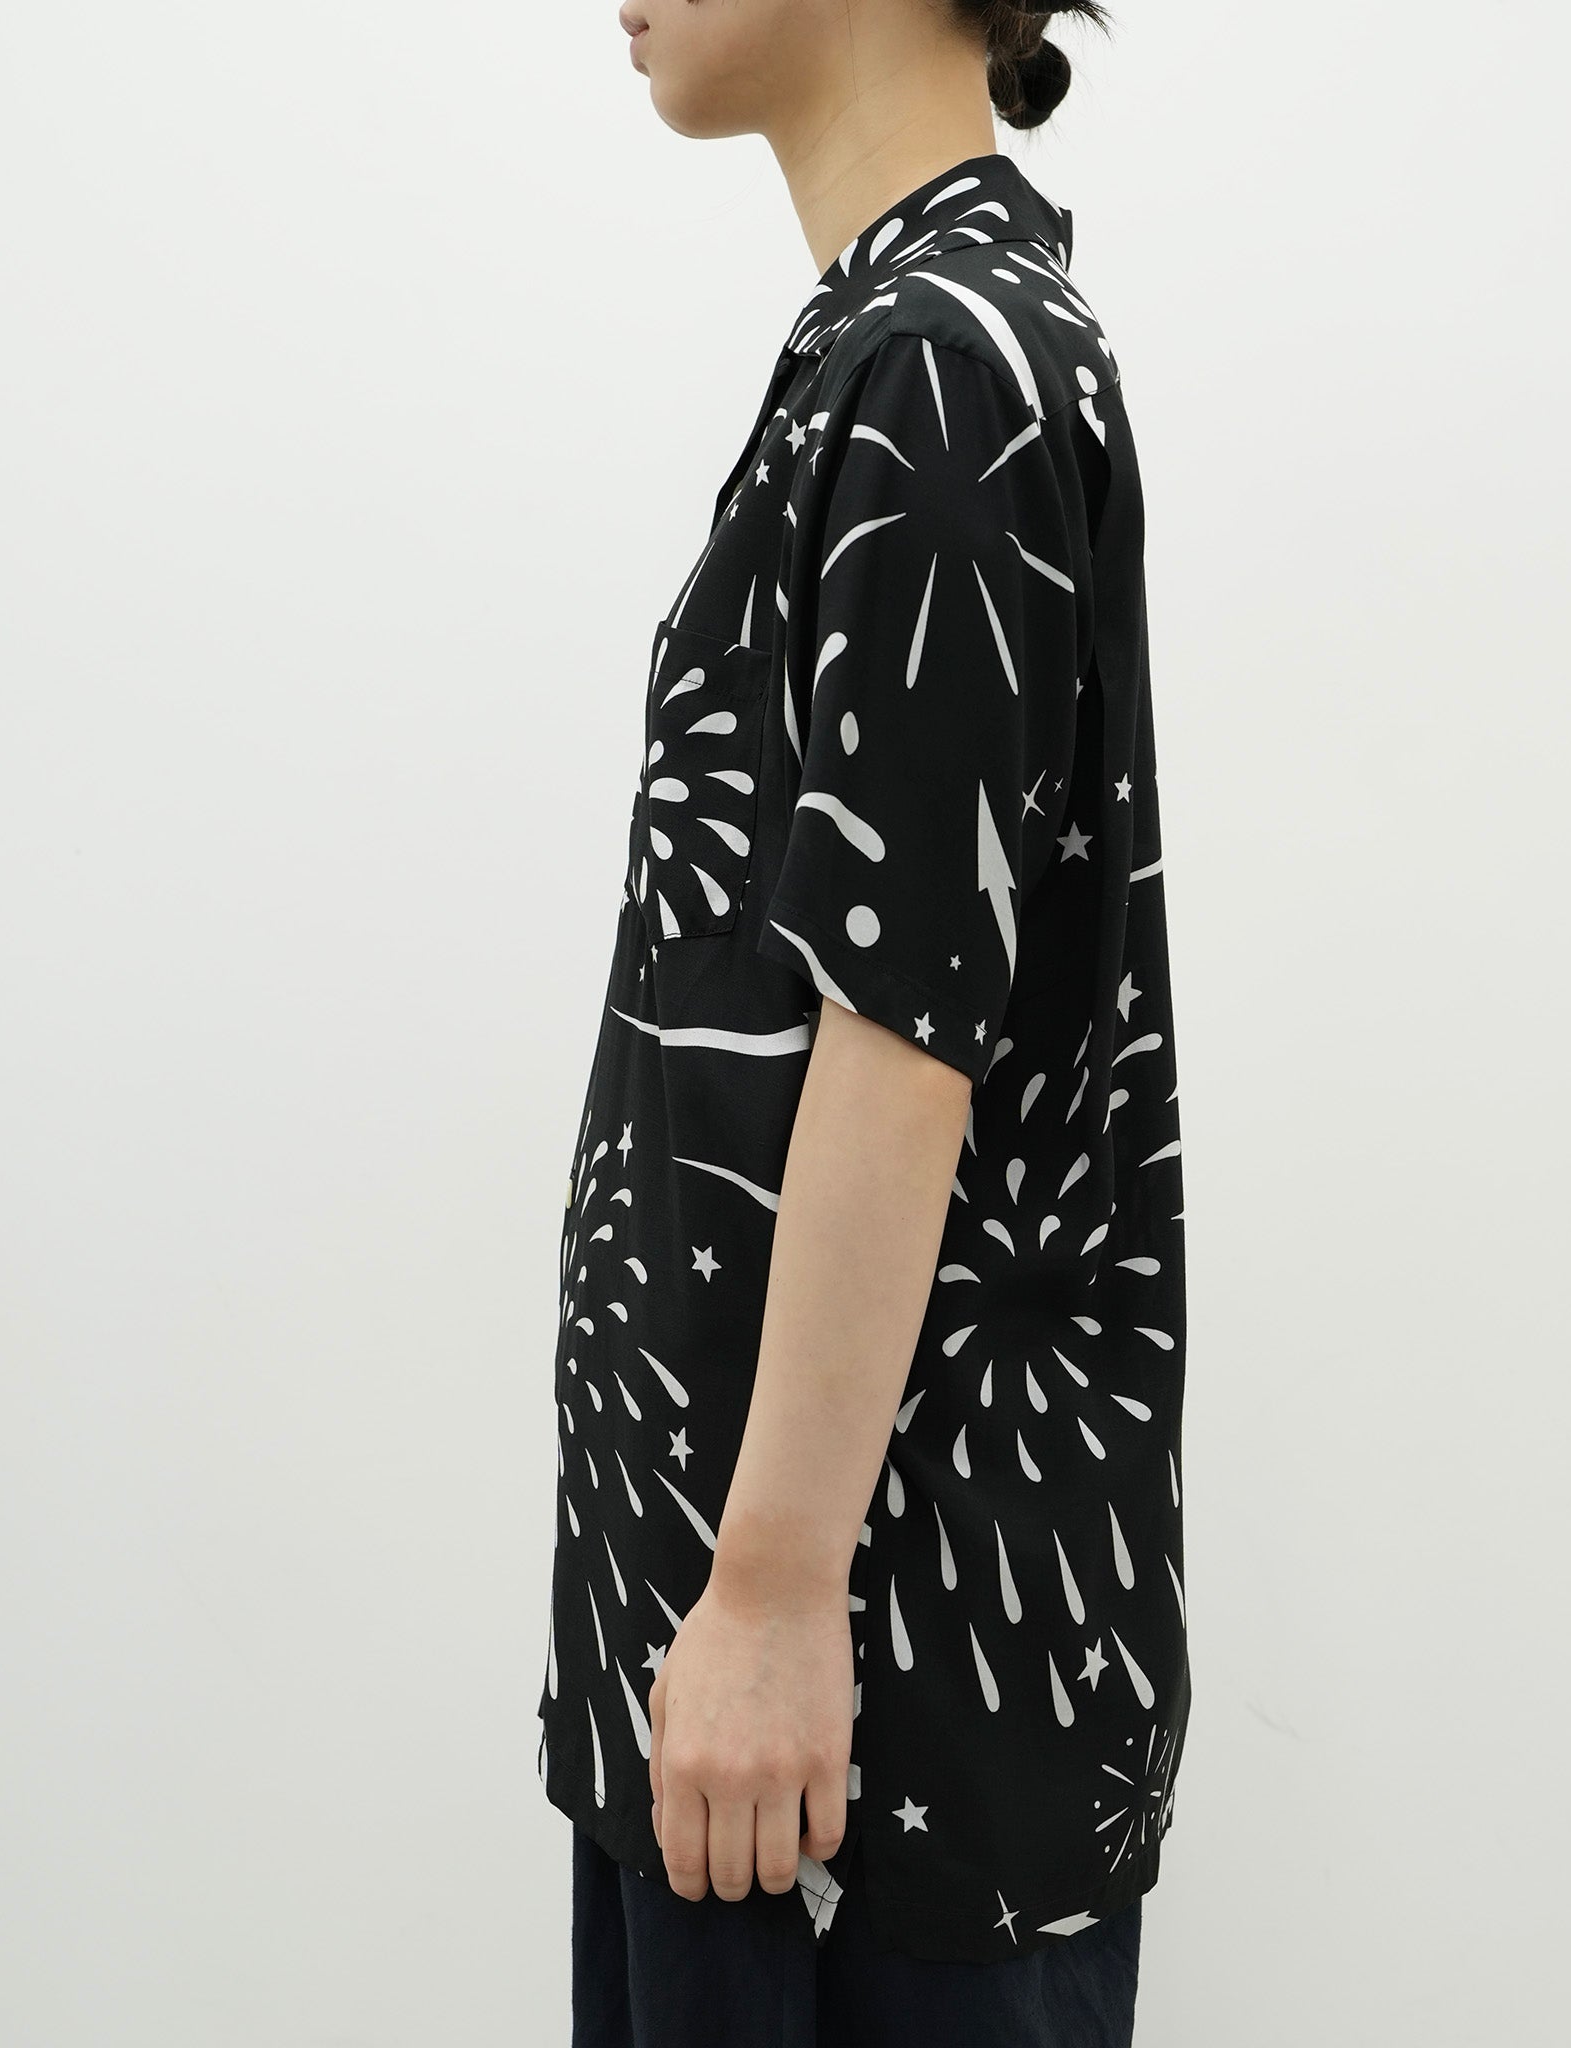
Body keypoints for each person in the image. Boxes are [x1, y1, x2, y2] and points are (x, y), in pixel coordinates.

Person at [539, 2, 1189, 2039]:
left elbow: (905, 1033)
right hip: (778, 1695)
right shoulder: (898, 340)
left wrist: (767, 1590)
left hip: (854, 1724)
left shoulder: (945, 364)